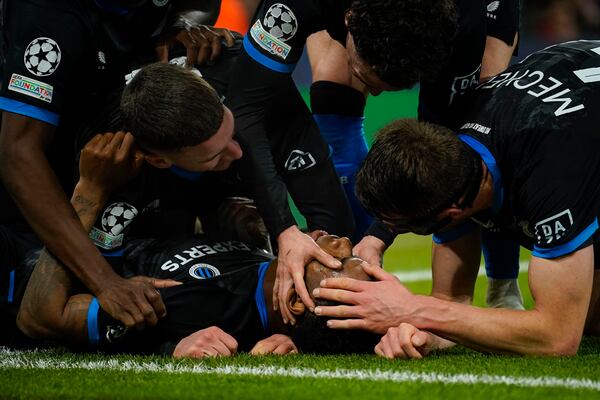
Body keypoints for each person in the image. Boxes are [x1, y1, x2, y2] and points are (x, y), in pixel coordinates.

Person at [311, 40, 600, 357]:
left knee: (588, 318)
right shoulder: (452, 161)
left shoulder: (551, 175)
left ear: (451, 212)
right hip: (572, 89)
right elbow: (452, 303)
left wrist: (414, 308)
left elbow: (557, 337)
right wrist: (422, 333)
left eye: (406, 226)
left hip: (574, 125)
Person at [13, 131, 378, 355]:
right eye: (354, 256)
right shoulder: (258, 254)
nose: (345, 244)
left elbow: (39, 317)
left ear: (296, 302)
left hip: (15, 263)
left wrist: (89, 190)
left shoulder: (201, 306)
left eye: (341, 265)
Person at [0, 0, 234, 332]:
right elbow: (18, 152)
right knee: (44, 313)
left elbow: (200, 5)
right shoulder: (48, 15)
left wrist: (182, 24)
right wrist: (104, 282)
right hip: (32, 202)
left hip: (111, 162)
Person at [226, 0, 460, 327]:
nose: (374, 95)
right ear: (349, 21)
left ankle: (497, 286)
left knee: (467, 121)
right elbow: (245, 109)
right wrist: (284, 229)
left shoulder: (454, 26)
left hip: (476, 17)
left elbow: (445, 138)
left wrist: (380, 234)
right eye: (370, 77)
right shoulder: (294, 7)